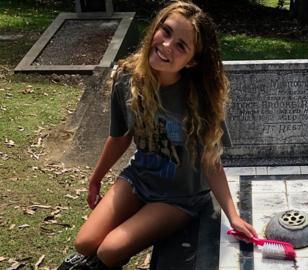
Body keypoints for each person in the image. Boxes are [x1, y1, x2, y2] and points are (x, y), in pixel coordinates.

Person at [58, 1, 257, 269]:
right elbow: (119, 137)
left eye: (181, 46)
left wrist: (233, 216)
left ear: (192, 61)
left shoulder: (200, 100)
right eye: (166, 31)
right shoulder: (127, 78)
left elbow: (211, 162)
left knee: (109, 250)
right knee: (85, 243)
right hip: (139, 178)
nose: (166, 45)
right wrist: (96, 179)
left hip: (180, 197)